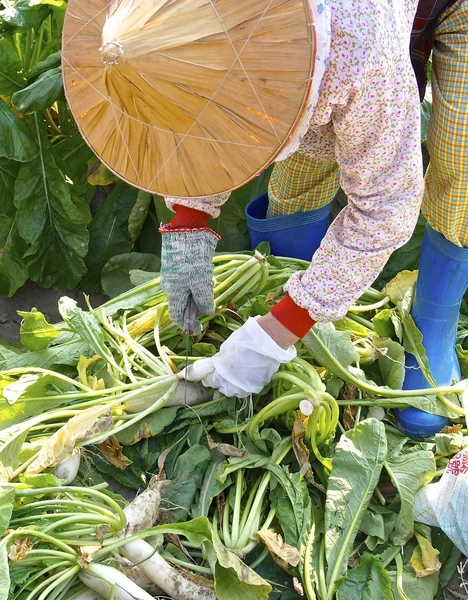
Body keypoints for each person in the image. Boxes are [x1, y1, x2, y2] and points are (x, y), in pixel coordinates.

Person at [159, 1, 426, 409]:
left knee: (457, 174)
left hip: (440, 13)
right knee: (295, 186)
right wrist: (188, 218)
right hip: (316, 59)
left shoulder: (361, 56)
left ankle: (433, 324)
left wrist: (281, 331)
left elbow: (386, 206)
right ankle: (293, 281)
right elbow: (206, 120)